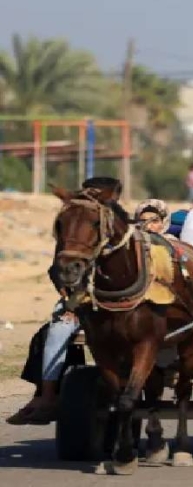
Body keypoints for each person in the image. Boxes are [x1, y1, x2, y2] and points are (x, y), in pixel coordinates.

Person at [6, 176, 121, 425]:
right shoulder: (76, 229)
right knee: (55, 331)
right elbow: (58, 270)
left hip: (118, 305)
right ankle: (46, 396)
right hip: (82, 303)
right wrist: (70, 302)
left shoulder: (121, 231)